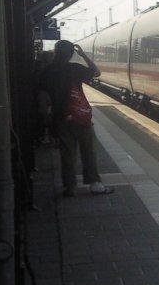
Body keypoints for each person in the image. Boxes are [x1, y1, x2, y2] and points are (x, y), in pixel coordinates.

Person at [39, 40, 114, 197]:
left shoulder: (47, 71)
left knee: (67, 154)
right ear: (71, 53)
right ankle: (95, 185)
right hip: (80, 116)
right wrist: (83, 54)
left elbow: (42, 96)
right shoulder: (74, 68)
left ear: (55, 52)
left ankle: (70, 187)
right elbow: (96, 72)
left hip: (60, 117)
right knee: (88, 152)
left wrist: (46, 118)